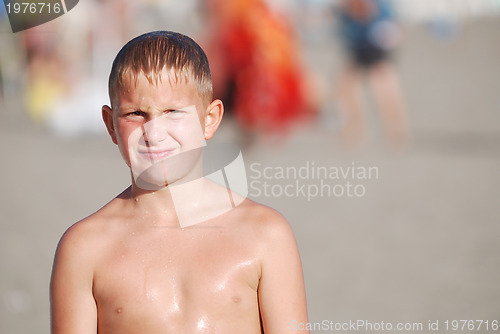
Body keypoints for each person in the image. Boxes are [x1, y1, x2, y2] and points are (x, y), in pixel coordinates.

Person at [50, 31, 309, 334]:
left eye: (172, 112)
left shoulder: (265, 234)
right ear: (110, 125)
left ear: (210, 119)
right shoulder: (85, 248)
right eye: (136, 113)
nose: (154, 133)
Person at [334, 0, 410, 148]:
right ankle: (354, 132)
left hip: (374, 42)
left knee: (383, 87)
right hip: (360, 42)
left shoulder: (379, 7)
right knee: (347, 89)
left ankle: (396, 133)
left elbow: (370, 12)